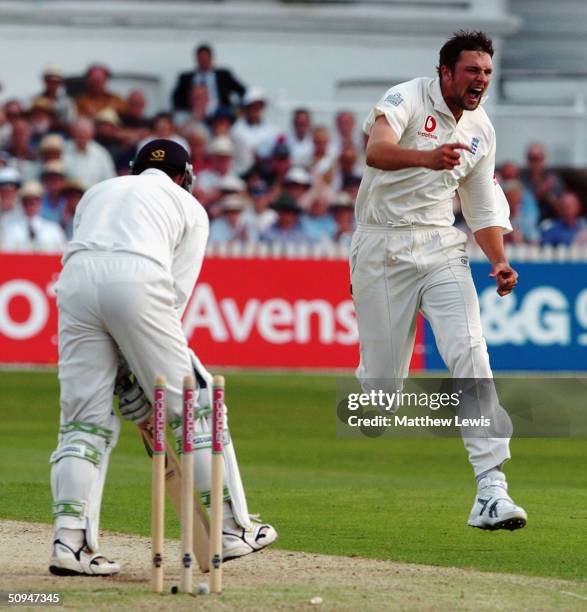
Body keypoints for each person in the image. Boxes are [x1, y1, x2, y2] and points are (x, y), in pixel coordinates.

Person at [49, 138, 276, 576]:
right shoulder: (189, 206)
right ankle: (232, 529)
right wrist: (139, 369)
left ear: (133, 169)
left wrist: (126, 374)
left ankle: (68, 543)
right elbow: (171, 300)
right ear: (184, 176)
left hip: (73, 284)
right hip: (139, 277)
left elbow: (97, 265)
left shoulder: (99, 191)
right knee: (197, 403)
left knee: (82, 419)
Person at [351, 30, 527, 531]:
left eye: (487, 73)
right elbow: (376, 152)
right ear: (446, 72)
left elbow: (481, 203)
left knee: (470, 349)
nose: (481, 81)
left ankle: (491, 487)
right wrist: (428, 157)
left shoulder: (481, 130)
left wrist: (497, 259)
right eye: (472, 71)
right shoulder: (406, 97)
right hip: (381, 247)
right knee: (379, 407)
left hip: (439, 246)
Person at [172, 43, 246, 115]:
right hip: (195, 114)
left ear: (211, 58)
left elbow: (242, 90)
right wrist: (185, 111)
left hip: (220, 114)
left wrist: (238, 107)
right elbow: (176, 97)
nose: (204, 61)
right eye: (201, 58)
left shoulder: (224, 75)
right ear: (196, 59)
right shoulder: (186, 78)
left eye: (206, 58)